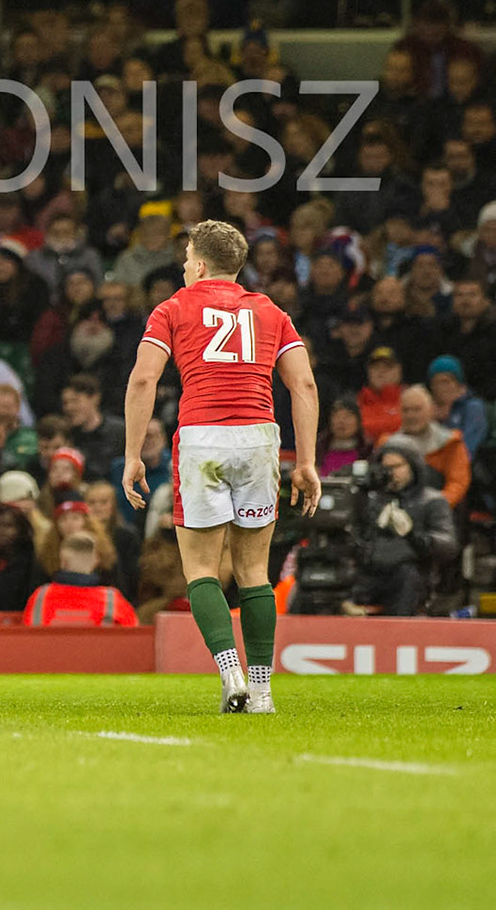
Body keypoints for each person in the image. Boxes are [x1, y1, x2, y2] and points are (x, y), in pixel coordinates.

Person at [121, 220, 320, 715]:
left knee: (202, 569)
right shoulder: (271, 311)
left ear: (202, 263)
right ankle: (262, 691)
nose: (185, 265)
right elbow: (305, 386)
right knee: (255, 571)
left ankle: (229, 670)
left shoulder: (173, 307)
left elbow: (145, 380)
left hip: (203, 438)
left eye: (187, 257)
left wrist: (131, 455)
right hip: (258, 438)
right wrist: (309, 461)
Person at [342, 440, 457, 617]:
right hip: (366, 575)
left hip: (408, 578)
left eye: (396, 466)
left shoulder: (432, 501)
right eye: (385, 467)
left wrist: (412, 534)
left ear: (413, 467)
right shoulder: (368, 499)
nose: (390, 472)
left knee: (407, 576)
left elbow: (448, 546)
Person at [22, 531, 139, 626]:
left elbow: (27, 636)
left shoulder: (41, 596)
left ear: (63, 562)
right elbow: (133, 636)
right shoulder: (113, 600)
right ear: (96, 561)